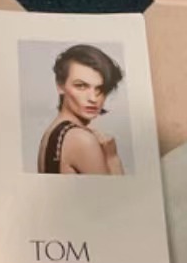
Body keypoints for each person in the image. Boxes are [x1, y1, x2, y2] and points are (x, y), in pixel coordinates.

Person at [37, 44, 126, 175]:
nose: (93, 98)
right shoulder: (82, 139)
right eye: (81, 86)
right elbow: (117, 189)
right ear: (60, 85)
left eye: (100, 89)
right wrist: (112, 158)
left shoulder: (52, 132)